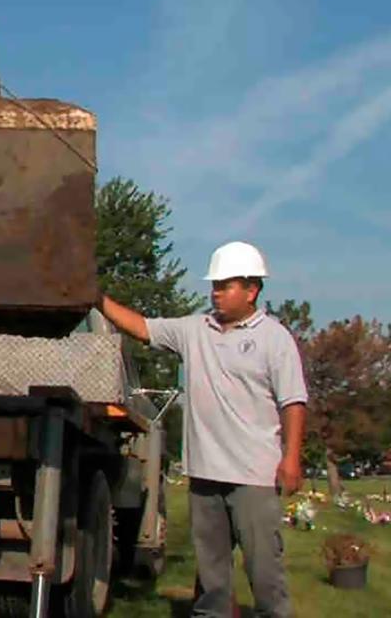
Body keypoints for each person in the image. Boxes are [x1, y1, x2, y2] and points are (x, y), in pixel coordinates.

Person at [99, 241, 307, 618]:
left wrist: (290, 459)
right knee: (212, 581)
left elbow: (293, 402)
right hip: (205, 475)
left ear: (251, 290)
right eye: (214, 285)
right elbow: (142, 328)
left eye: (225, 285)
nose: (216, 292)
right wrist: (98, 299)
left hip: (254, 477)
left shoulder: (275, 339)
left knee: (265, 575)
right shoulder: (194, 330)